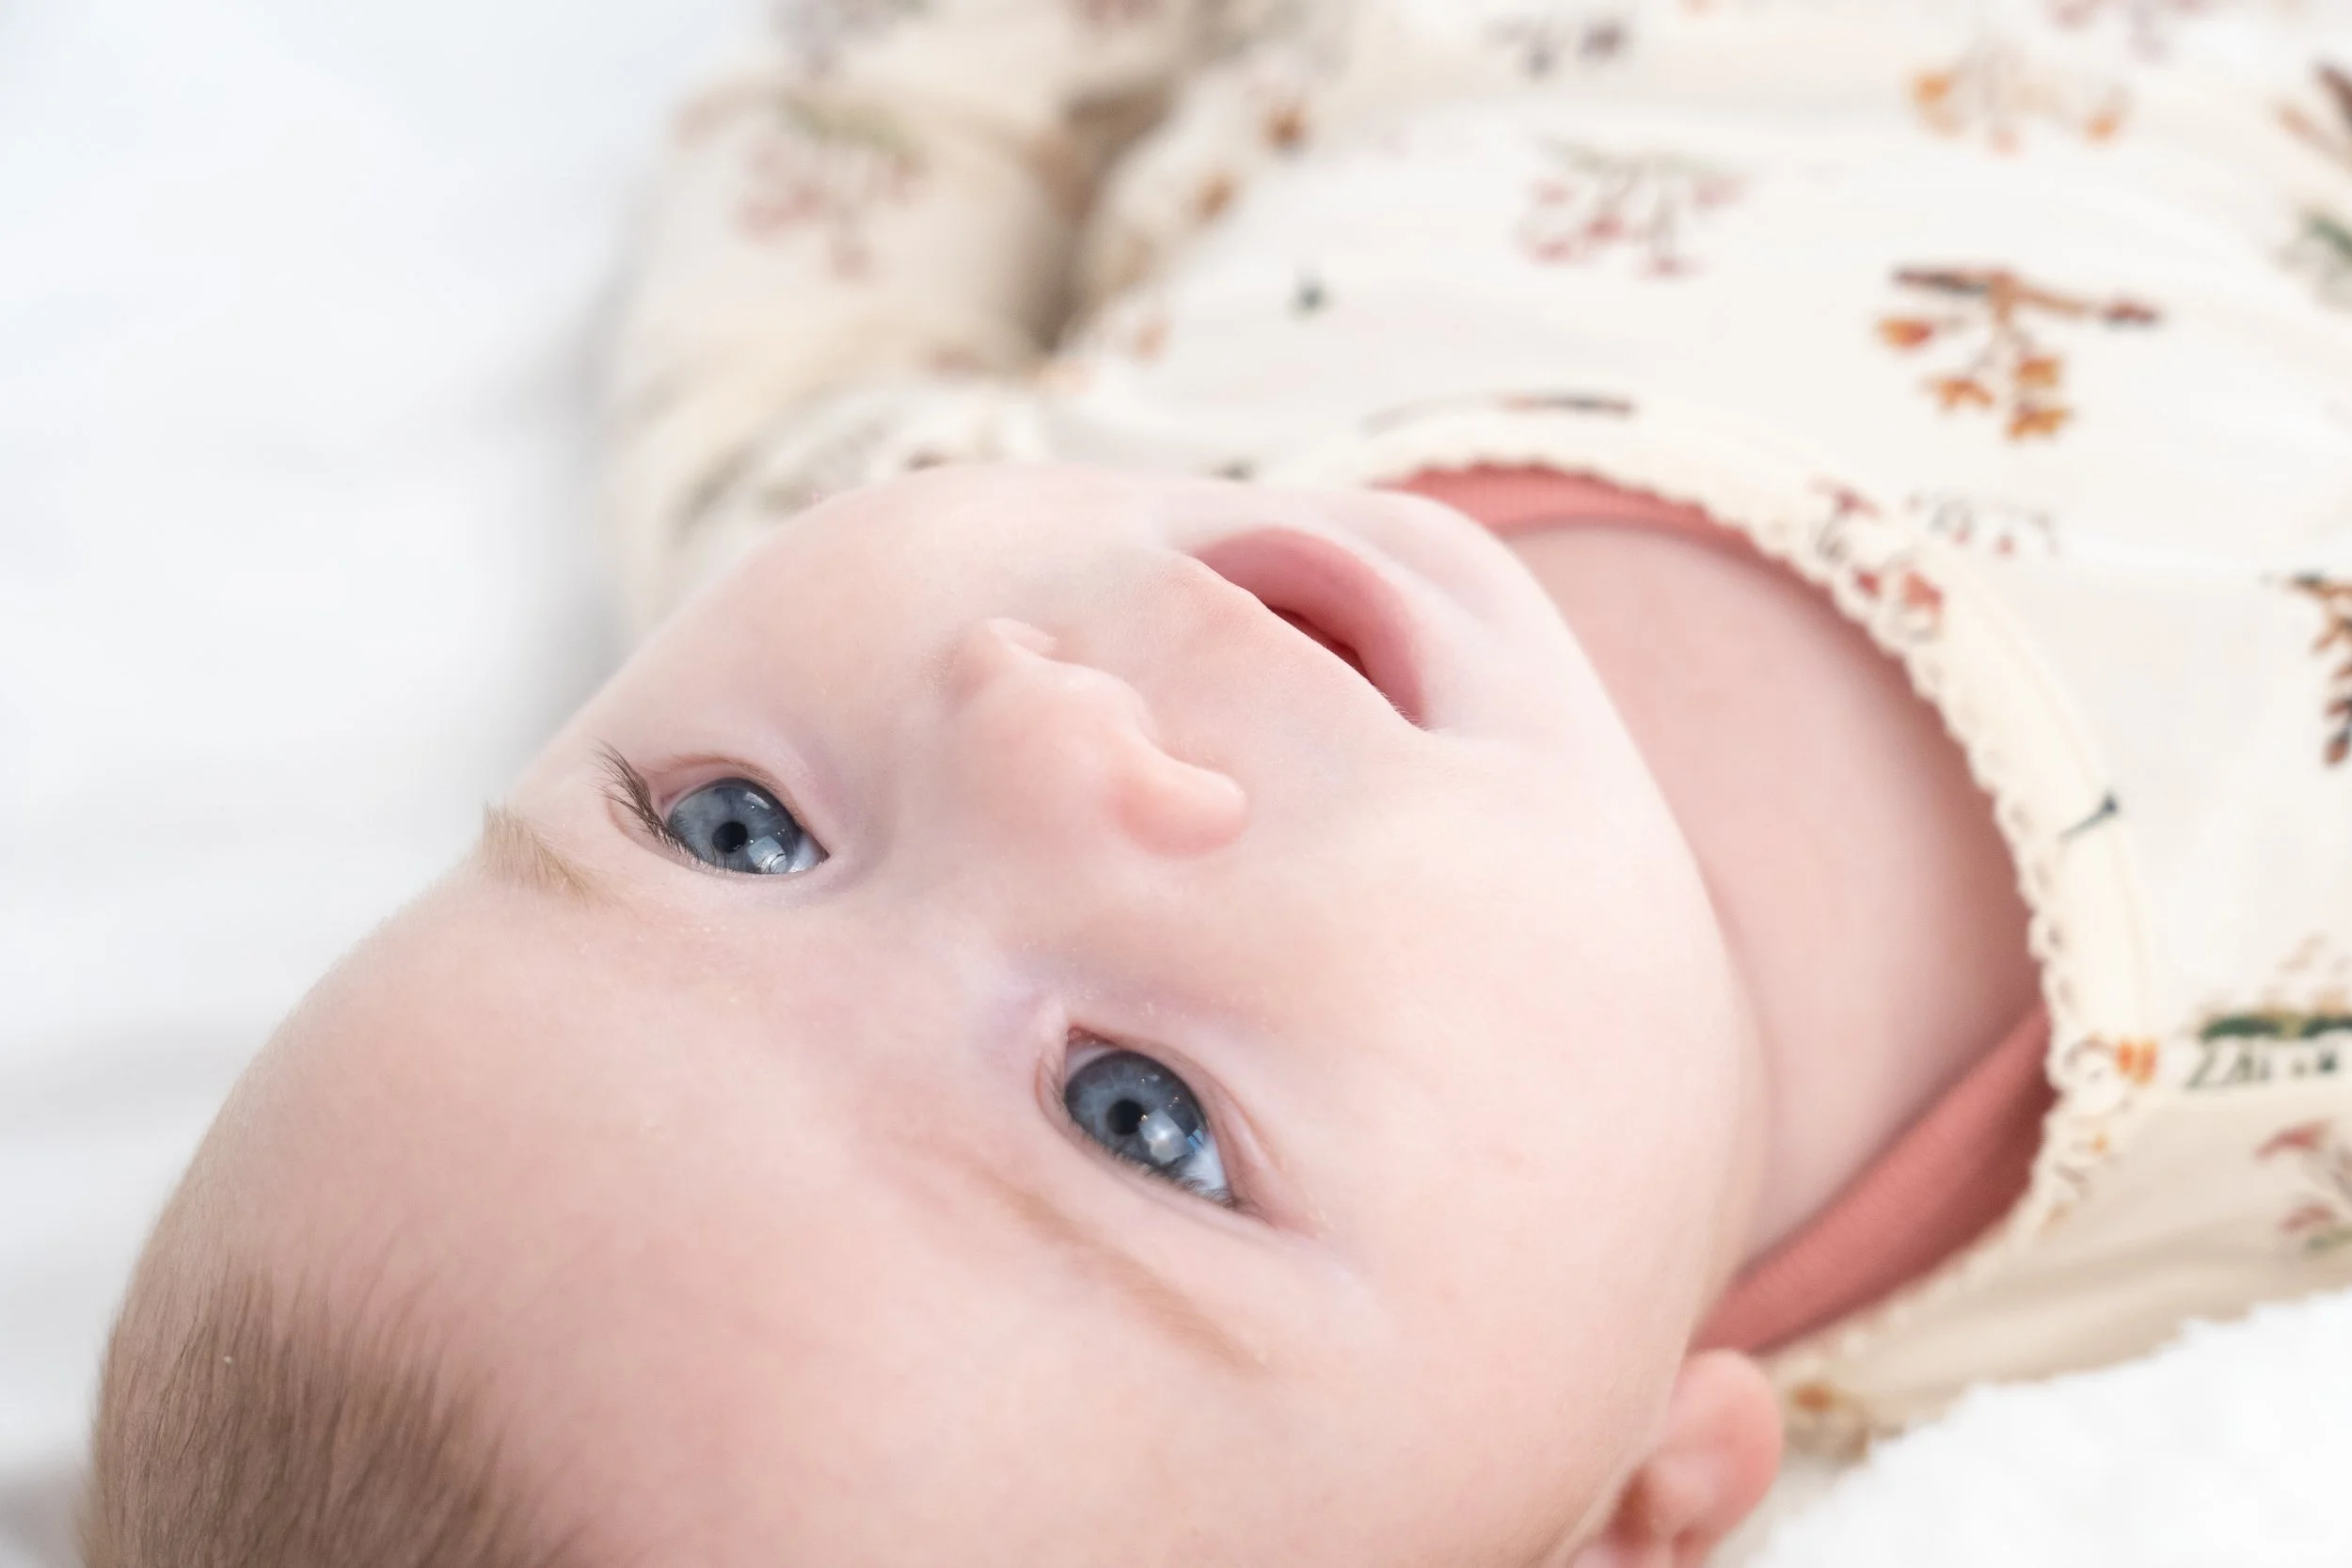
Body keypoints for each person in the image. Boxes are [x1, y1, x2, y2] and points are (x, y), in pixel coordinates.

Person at [84, 2, 2352, 1564]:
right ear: (1643, 1512)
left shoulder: (891, 494)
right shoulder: (2258, 1139)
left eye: (729, 827)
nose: (1034, 730)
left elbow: (862, 161)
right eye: (1135, 1113)